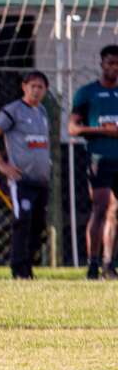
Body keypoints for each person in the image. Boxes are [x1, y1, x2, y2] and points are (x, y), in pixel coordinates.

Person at [0, 71, 51, 279]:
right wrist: (2, 165)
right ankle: (18, 269)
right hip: (21, 180)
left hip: (41, 180)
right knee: (22, 221)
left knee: (38, 225)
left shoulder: (43, 112)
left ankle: (28, 267)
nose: (36, 91)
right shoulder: (13, 111)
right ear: (24, 87)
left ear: (45, 90)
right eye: (33, 86)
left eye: (40, 87)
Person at [69, 44, 118, 280]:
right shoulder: (87, 93)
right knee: (100, 208)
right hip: (99, 158)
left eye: (117, 64)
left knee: (115, 211)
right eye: (110, 63)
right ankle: (92, 264)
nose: (114, 68)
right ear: (102, 64)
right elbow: (72, 128)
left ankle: (110, 265)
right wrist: (102, 130)